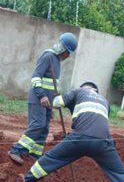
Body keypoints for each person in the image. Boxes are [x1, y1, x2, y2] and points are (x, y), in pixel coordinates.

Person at [9, 33, 77, 165]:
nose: (68, 56)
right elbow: (35, 77)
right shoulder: (48, 56)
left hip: (47, 103)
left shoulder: (57, 61)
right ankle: (16, 150)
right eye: (68, 52)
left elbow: (52, 85)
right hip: (38, 99)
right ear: (62, 49)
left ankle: (34, 154)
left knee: (44, 128)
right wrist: (42, 95)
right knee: (38, 125)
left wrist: (53, 102)